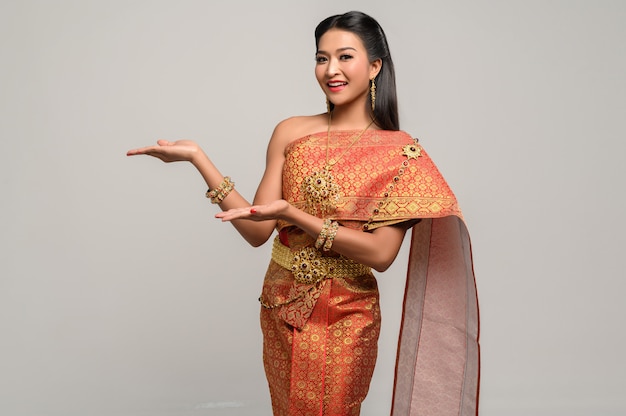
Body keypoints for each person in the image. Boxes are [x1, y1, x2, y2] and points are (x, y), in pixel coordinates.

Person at [127, 11, 479, 416]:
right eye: (321, 58)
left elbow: (382, 255)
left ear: (375, 66)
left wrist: (298, 215)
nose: (331, 70)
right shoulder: (291, 131)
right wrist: (197, 159)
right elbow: (255, 230)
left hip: (347, 311)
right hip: (281, 302)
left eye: (345, 57)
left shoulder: (399, 153)